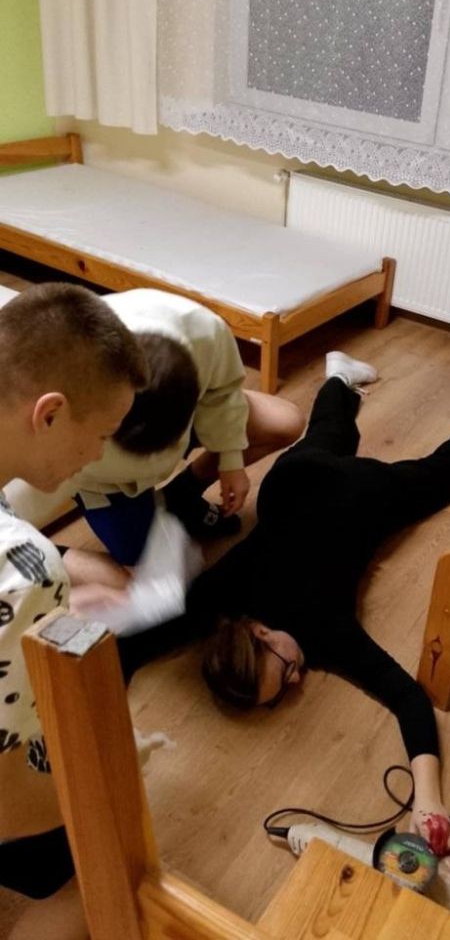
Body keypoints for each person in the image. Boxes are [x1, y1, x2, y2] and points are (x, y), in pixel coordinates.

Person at [193, 351, 450, 854]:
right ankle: (339, 377)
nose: (296, 679)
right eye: (280, 694)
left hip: (357, 495)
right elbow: (153, 630)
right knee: (329, 435)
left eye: (285, 669)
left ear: (259, 632)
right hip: (290, 481)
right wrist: (427, 800)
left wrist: (427, 797)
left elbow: (408, 697)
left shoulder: (323, 630)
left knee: (440, 479)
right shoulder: (218, 598)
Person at [0, 282, 146, 937]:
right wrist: (113, 777)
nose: (99, 456)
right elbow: (5, 808)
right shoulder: (20, 566)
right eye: (102, 435)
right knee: (109, 859)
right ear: (51, 413)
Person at [63, 288, 305, 568]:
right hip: (103, 479)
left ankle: (182, 493)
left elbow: (223, 391)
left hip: (180, 414)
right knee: (137, 554)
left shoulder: (204, 331)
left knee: (286, 421)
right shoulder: (59, 380)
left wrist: (230, 460)